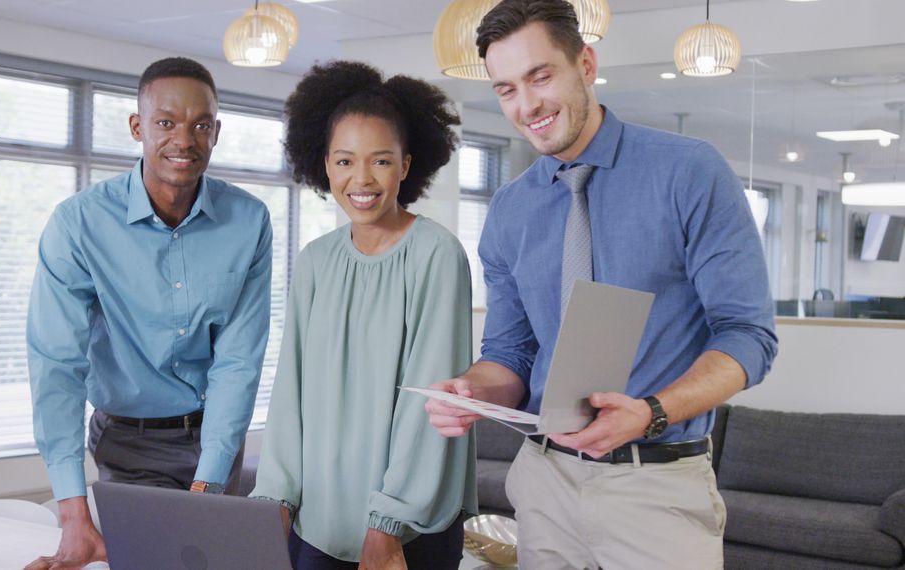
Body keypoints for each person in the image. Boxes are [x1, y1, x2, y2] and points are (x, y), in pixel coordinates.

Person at [424, 1, 778, 568]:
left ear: (585, 64)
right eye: (506, 88)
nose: (527, 104)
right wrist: (471, 393)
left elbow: (748, 336)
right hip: (544, 482)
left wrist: (652, 410)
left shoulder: (688, 171)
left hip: (657, 485)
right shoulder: (511, 209)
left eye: (540, 76)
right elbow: (510, 354)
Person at [25, 57, 272, 570]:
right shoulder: (79, 224)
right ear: (138, 127)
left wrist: (209, 483)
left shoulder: (249, 220)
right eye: (165, 122)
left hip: (214, 440)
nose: (184, 139)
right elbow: (57, 364)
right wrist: (73, 513)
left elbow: (238, 362)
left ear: (216, 131)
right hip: (128, 444)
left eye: (200, 124)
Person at [249, 60, 477, 570]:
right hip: (317, 525)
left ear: (406, 164)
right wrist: (276, 500)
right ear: (324, 165)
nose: (362, 179)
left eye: (380, 160)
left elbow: (430, 399)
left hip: (406, 529)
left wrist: (388, 522)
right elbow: (292, 390)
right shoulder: (314, 260)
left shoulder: (437, 255)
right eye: (345, 161)